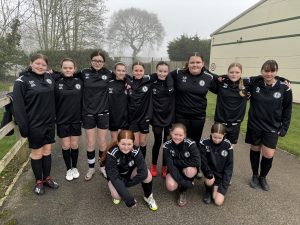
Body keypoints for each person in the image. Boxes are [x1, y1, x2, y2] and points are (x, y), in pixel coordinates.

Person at [13, 53, 59, 195]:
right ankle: (38, 181)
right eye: (37, 63)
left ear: (47, 67)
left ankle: (47, 178)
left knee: (47, 151)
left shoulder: (49, 78)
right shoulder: (22, 81)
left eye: (43, 64)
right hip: (34, 125)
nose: (40, 66)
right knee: (37, 153)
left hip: (49, 123)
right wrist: (24, 127)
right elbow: (18, 107)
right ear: (31, 63)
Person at [246, 60, 292, 191]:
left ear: (276, 72)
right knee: (255, 150)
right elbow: (240, 80)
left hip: (272, 127)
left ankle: (263, 177)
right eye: (266, 71)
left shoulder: (284, 88)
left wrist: (284, 128)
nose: (269, 74)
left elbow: (287, 110)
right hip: (255, 125)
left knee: (268, 154)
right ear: (261, 71)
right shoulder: (255, 84)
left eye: (272, 71)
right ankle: (255, 175)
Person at [102, 130, 158, 211]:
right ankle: (118, 191)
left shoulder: (136, 151)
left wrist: (127, 184)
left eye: (129, 144)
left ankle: (148, 196)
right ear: (118, 142)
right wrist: (129, 199)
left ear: (133, 143)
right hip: (116, 177)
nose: (126, 147)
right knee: (116, 196)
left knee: (148, 175)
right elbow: (113, 177)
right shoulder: (112, 153)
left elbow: (143, 172)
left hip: (130, 173)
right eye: (123, 144)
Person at [78, 51, 112, 180]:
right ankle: (91, 168)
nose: (97, 63)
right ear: (91, 61)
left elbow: (123, 77)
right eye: (95, 60)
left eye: (100, 61)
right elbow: (66, 74)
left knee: (102, 142)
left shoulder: (108, 74)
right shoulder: (84, 73)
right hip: (88, 113)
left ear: (104, 62)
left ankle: (102, 167)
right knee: (91, 142)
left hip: (103, 112)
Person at [170, 53, 218, 145]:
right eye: (192, 62)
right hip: (181, 116)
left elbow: (222, 90)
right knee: (179, 141)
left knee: (194, 143)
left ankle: (192, 159)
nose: (195, 65)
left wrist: (244, 93)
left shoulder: (208, 77)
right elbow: (165, 77)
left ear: (203, 64)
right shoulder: (178, 73)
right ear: (188, 63)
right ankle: (178, 159)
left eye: (198, 62)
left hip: (198, 117)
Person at [54, 58, 82, 181]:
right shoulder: (56, 81)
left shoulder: (80, 81)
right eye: (65, 68)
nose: (68, 70)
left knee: (74, 144)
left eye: (70, 68)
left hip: (76, 119)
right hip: (62, 120)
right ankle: (68, 169)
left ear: (74, 69)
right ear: (61, 69)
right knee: (66, 145)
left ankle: (75, 167)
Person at [163, 123, 201, 207]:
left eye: (180, 135)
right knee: (171, 186)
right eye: (175, 134)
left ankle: (182, 191)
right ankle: (182, 183)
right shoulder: (166, 145)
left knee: (190, 171)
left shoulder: (190, 143)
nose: (177, 137)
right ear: (171, 133)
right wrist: (184, 182)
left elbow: (197, 162)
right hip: (174, 169)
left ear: (185, 135)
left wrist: (177, 162)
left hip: (187, 168)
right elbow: (171, 166)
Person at [199, 123, 233, 206]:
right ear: (211, 134)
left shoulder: (228, 145)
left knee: (218, 202)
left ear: (224, 135)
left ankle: (217, 186)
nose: (217, 140)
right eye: (214, 137)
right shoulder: (204, 143)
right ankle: (208, 191)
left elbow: (229, 166)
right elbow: (203, 162)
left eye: (219, 138)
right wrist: (208, 173)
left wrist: (224, 186)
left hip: (221, 176)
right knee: (210, 180)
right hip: (210, 172)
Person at [150, 61, 174, 178]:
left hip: (169, 118)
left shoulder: (172, 82)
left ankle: (165, 166)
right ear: (156, 70)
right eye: (160, 71)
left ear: (168, 72)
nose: (162, 73)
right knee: (158, 142)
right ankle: (154, 165)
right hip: (157, 118)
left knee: (167, 143)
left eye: (165, 71)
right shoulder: (152, 82)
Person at [108, 62, 129, 142]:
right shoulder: (109, 83)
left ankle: (123, 154)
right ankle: (114, 154)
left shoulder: (128, 83)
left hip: (125, 117)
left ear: (125, 72)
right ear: (114, 71)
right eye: (119, 70)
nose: (121, 72)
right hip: (113, 116)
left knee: (124, 140)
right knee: (114, 140)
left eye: (123, 71)